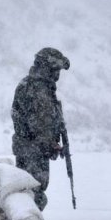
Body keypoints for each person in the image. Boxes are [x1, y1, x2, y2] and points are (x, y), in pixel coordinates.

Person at [11, 47, 70, 211]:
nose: (57, 75)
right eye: (55, 70)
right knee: (33, 195)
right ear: (47, 67)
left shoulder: (30, 85)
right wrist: (51, 144)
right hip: (33, 152)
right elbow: (40, 124)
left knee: (29, 193)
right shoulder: (38, 89)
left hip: (28, 149)